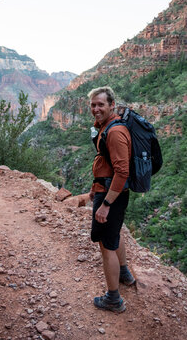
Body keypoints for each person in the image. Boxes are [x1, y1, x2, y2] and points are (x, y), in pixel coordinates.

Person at [88, 86, 135, 313]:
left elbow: (122, 173)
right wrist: (95, 187)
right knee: (114, 234)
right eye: (93, 105)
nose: (96, 109)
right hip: (105, 189)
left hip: (111, 196)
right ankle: (125, 273)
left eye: (101, 105)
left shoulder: (115, 132)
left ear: (112, 105)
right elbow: (105, 163)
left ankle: (113, 299)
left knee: (106, 245)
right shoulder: (106, 126)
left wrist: (105, 204)